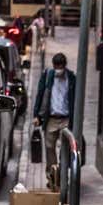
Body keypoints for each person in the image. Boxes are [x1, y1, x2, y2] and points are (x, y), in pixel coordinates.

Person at [33, 51, 76, 191]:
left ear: (64, 66)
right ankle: (52, 176)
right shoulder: (47, 76)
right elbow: (40, 94)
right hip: (51, 118)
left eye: (60, 67)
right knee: (49, 147)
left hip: (66, 119)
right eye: (56, 67)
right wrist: (36, 115)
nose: (58, 70)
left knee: (65, 149)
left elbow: (75, 98)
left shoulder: (71, 78)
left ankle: (63, 177)